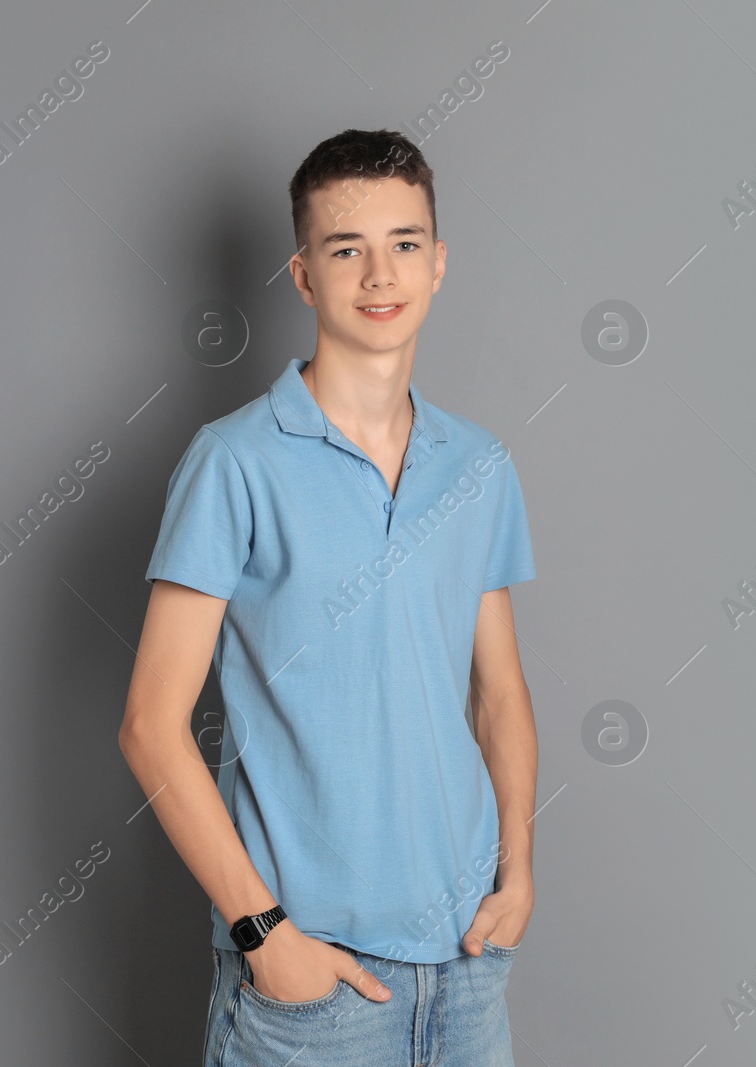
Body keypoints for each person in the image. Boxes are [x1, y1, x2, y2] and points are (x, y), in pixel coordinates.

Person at [118, 128, 538, 1066]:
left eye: (404, 243)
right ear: (304, 276)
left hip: (469, 969)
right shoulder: (235, 462)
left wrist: (519, 870)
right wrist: (265, 934)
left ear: (438, 264)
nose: (379, 274)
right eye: (347, 249)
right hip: (314, 980)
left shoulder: (478, 465)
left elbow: (499, 690)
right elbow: (151, 722)